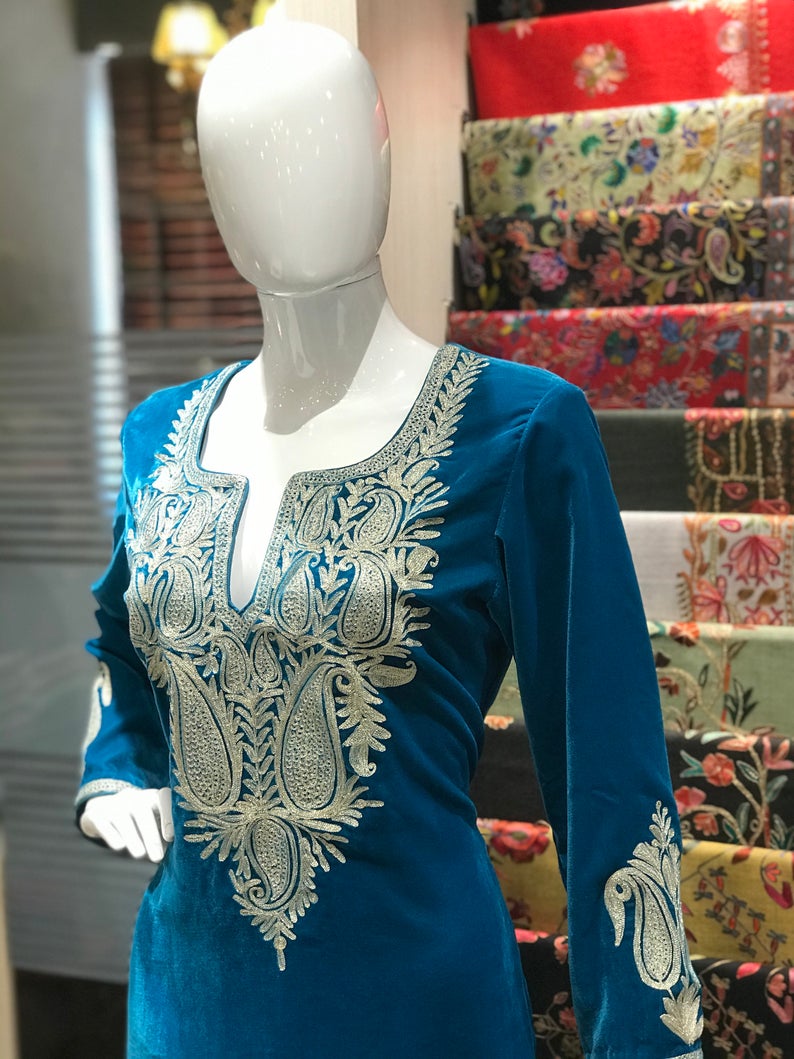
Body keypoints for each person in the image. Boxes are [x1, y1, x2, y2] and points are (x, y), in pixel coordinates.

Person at [77, 19, 703, 1059]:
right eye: (242, 160)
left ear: (381, 154)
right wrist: (116, 768)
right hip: (188, 1000)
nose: (286, 187)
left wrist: (641, 1039)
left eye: (320, 146)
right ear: (210, 191)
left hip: (415, 1006)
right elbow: (124, 643)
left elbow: (609, 773)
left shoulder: (518, 429)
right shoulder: (159, 436)